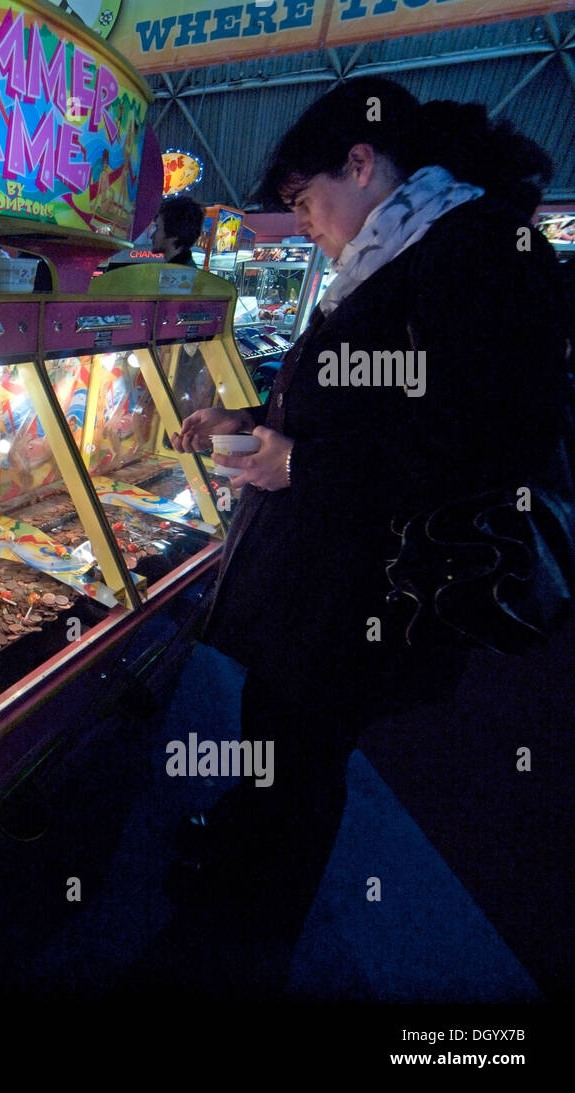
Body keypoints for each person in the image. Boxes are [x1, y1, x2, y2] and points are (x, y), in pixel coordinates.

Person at [161, 77, 567, 992]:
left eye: (305, 200)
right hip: (319, 585)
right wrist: (256, 416)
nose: (302, 222)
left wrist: (299, 466)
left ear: (362, 161)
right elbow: (351, 401)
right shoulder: (400, 248)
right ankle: (239, 867)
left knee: (302, 766)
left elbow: (488, 444)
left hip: (365, 595)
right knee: (278, 742)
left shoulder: (480, 251)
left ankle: (240, 947)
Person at [148, 194, 203, 267]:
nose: (152, 236)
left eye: (158, 228)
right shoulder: (186, 270)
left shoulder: (177, 274)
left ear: (173, 234)